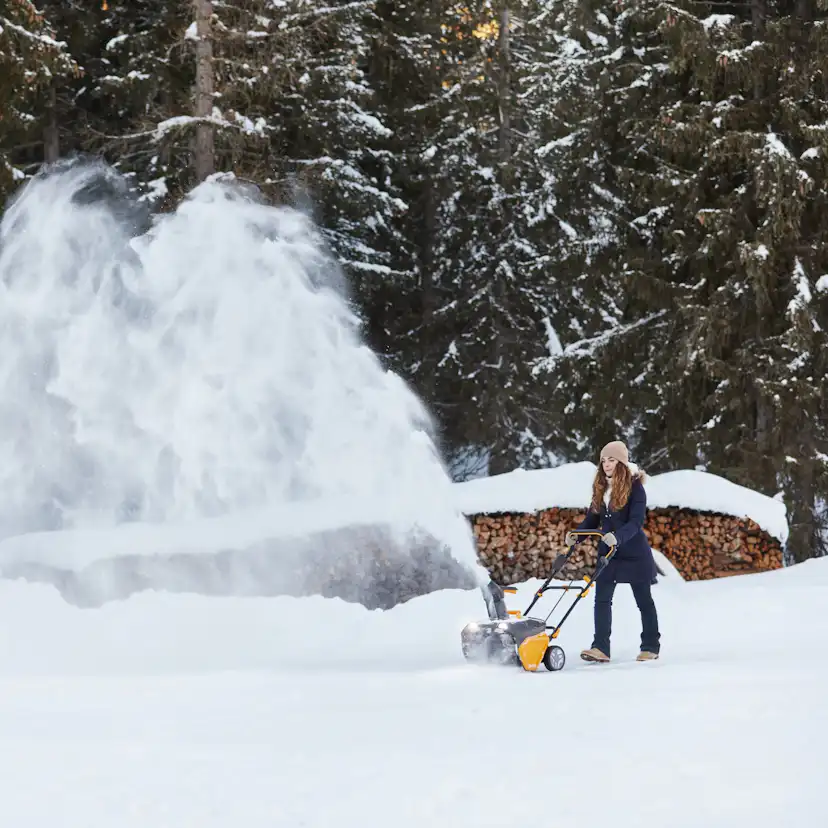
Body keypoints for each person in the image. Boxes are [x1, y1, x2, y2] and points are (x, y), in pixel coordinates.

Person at [565, 440, 661, 663]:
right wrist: (576, 535)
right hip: (608, 553)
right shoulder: (601, 488)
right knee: (602, 599)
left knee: (643, 600)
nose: (607, 465)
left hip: (634, 553)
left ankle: (650, 646)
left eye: (612, 460)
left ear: (622, 462)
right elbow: (592, 519)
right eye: (604, 460)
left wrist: (618, 537)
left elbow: (636, 522)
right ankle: (601, 647)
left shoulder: (636, 488)